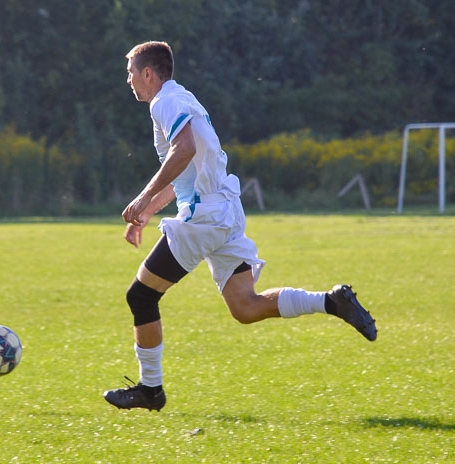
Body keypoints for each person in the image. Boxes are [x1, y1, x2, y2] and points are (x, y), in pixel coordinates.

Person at [103, 41, 377, 412]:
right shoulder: (182, 97)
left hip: (204, 217)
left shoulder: (164, 103)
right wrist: (149, 209)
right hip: (225, 210)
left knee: (141, 295)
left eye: (131, 72)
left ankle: (151, 390)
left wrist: (141, 197)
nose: (129, 79)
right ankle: (331, 301)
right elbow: (188, 164)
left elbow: (182, 150)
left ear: (148, 73)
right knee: (245, 307)